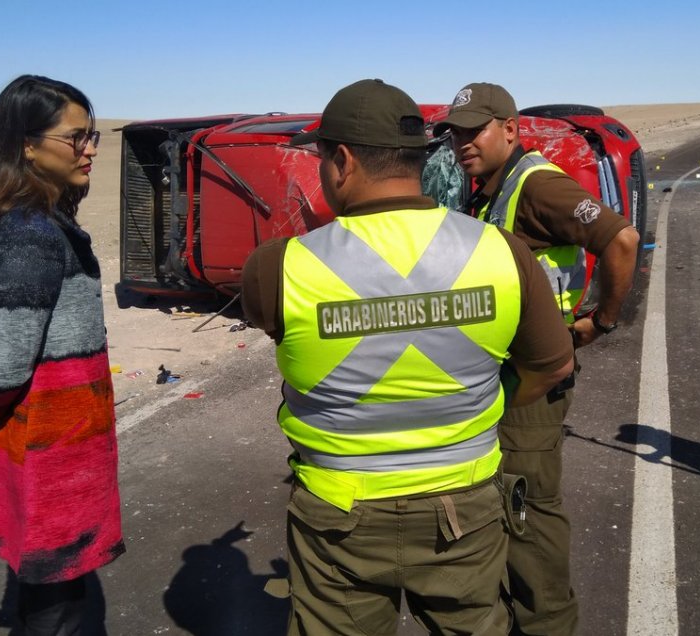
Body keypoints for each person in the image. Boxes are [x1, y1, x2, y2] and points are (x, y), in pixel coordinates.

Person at [241, 78, 574, 635]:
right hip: (464, 508)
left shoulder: (277, 266)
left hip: (338, 514)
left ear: (341, 160)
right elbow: (551, 366)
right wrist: (483, 411)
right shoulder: (501, 251)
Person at [0, 75, 123, 632]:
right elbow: (4, 364)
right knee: (57, 616)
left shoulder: (25, 223)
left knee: (53, 603)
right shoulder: (31, 235)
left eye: (94, 136)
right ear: (26, 144)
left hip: (41, 447)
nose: (91, 149)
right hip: (50, 457)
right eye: (76, 138)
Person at [433, 82, 640, 634]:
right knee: (499, 501)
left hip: (533, 378)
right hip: (500, 371)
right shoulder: (490, 189)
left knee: (528, 508)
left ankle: (547, 622)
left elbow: (621, 240)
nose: (461, 143)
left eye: (473, 129)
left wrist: (603, 321)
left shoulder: (538, 186)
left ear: (510, 128)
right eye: (455, 132)